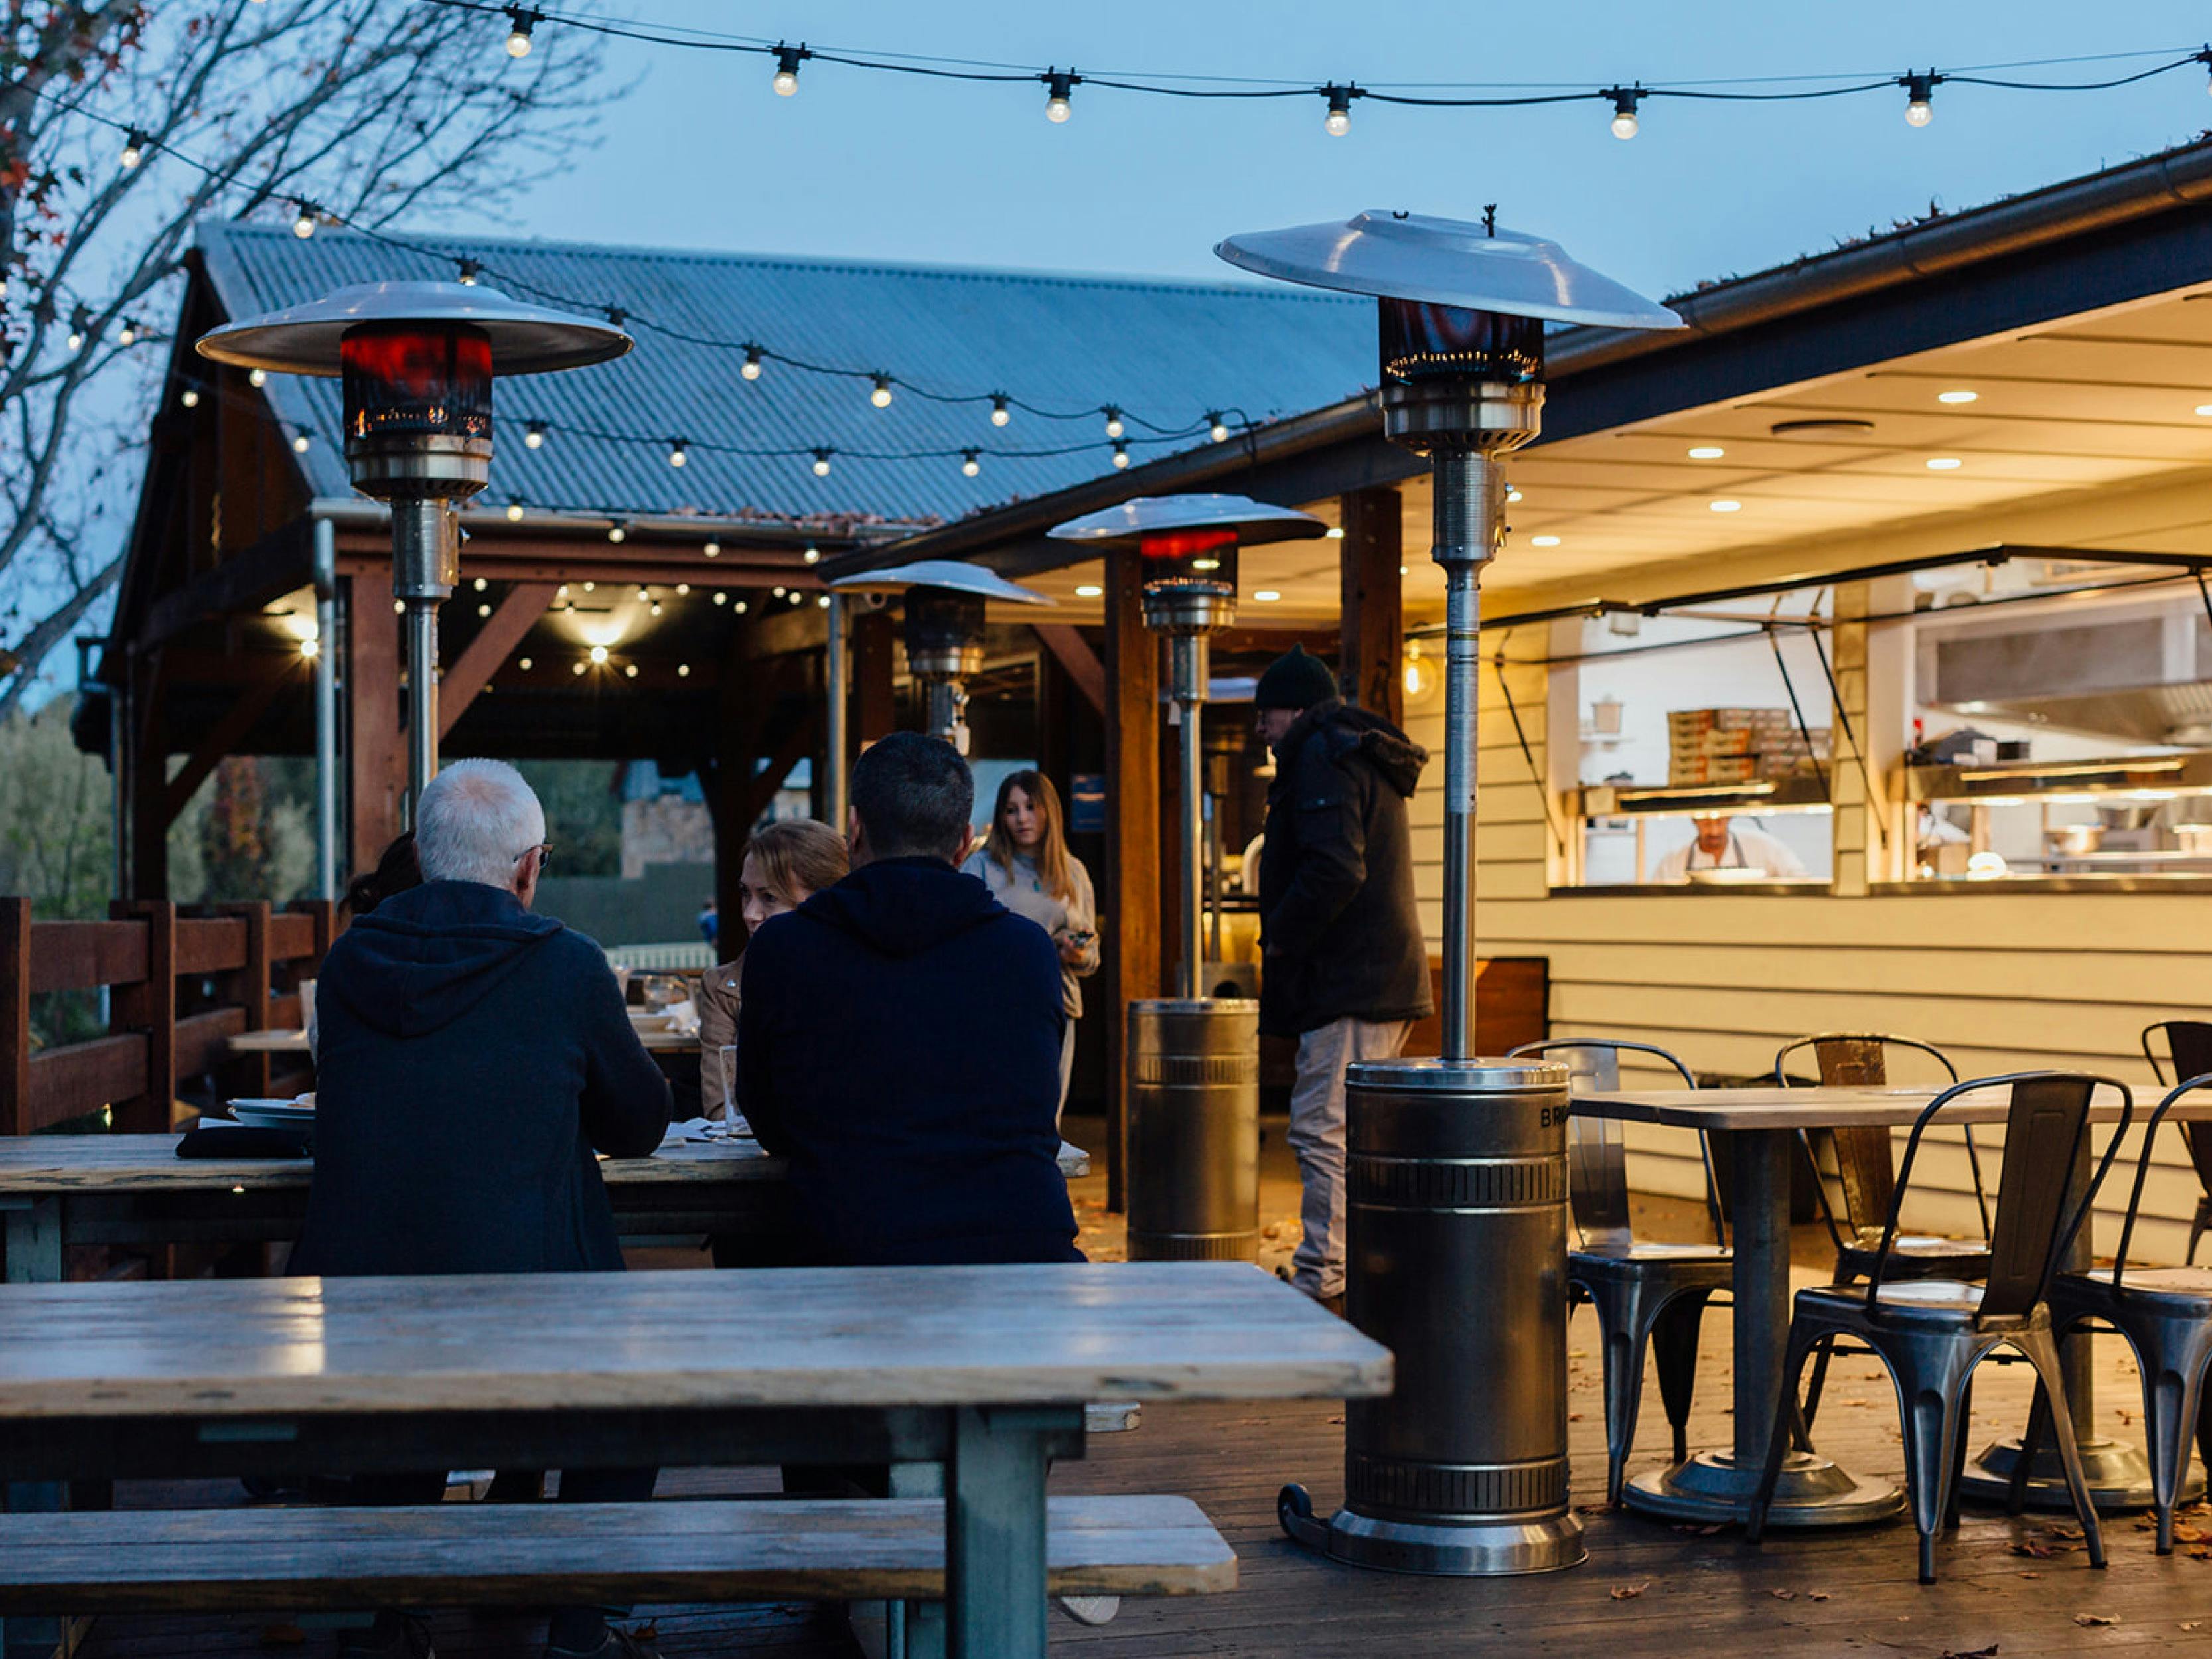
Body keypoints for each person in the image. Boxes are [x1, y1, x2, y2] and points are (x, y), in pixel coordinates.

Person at [296, 758, 671, 1659]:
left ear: (422, 860)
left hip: (360, 1320)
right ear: (530, 867)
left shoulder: (351, 966)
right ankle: (578, 1632)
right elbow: (642, 1125)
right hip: (529, 1319)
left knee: (411, 1370)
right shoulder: (570, 965)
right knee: (645, 1395)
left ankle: (388, 1616)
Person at [737, 731, 1080, 1266]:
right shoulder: (1026, 952)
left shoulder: (783, 950)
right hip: (1020, 1255)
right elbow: (1036, 1115)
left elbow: (770, 1125)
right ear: (965, 841)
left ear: (854, 830)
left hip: (846, 1252)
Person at [1253, 644, 1432, 1313]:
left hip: (1352, 983)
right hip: (1379, 977)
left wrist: (1282, 937)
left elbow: (1335, 868)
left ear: (1292, 709)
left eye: (1265, 714)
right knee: (1352, 1132)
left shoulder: (1323, 756)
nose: (1261, 730)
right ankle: (1354, 1268)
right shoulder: (1351, 748)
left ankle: (1323, 1279)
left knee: (1321, 1128)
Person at [961, 770, 1098, 1120]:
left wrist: (1076, 951)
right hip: (996, 1006)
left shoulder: (1073, 872)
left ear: (1049, 811)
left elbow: (1091, 955)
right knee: (995, 1112)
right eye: (1011, 810)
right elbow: (962, 943)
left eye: (1031, 807)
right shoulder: (980, 868)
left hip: (1057, 1004)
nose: (1022, 818)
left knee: (1046, 1117)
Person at [696, 819, 850, 1117]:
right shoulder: (723, 988)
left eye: (770, 897)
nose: (750, 914)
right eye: (745, 893)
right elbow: (722, 1111)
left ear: (823, 900)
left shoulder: (866, 976)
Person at [1653, 814, 1809, 882]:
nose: (1714, 831)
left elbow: (1801, 879)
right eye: (1706, 824)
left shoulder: (1762, 846)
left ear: (1729, 817)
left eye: (1719, 822)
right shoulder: (1673, 862)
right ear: (1694, 820)